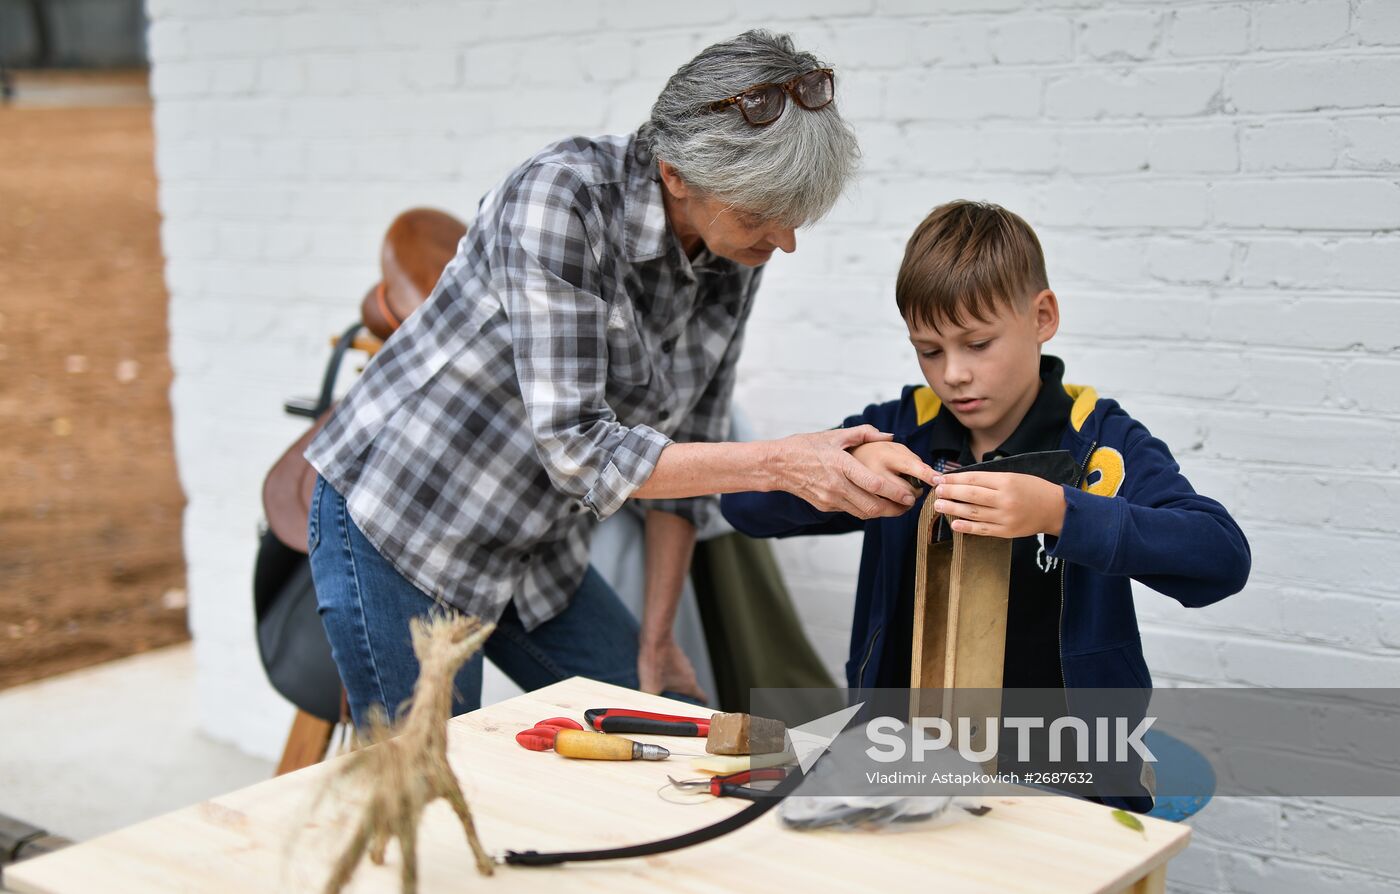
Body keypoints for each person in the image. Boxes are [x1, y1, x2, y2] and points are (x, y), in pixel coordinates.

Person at [305, 30, 937, 728]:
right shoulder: (561, 196)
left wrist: (657, 636)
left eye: (792, 217)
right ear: (676, 174)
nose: (784, 241)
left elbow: (695, 439)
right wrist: (783, 464)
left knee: (668, 719)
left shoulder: (732, 253)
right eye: (762, 214)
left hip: (533, 548)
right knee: (426, 772)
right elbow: (578, 449)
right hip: (405, 517)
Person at [720, 200, 1251, 809]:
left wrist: (1060, 514)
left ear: (1042, 317)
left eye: (977, 343)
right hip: (904, 764)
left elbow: (1220, 559)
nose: (954, 375)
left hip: (1070, 773)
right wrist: (846, 470)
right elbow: (742, 507)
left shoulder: (1099, 441)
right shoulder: (901, 430)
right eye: (929, 350)